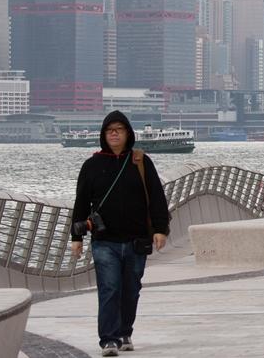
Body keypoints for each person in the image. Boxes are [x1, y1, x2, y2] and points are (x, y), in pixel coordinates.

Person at [70, 110, 170, 357]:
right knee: (110, 288)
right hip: (105, 241)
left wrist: (160, 230)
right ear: (104, 135)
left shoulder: (140, 161)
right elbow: (81, 203)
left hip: (137, 239)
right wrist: (76, 237)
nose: (114, 134)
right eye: (109, 130)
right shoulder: (92, 165)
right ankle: (109, 339)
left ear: (128, 133)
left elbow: (156, 197)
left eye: (119, 129)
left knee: (131, 289)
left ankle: (125, 332)